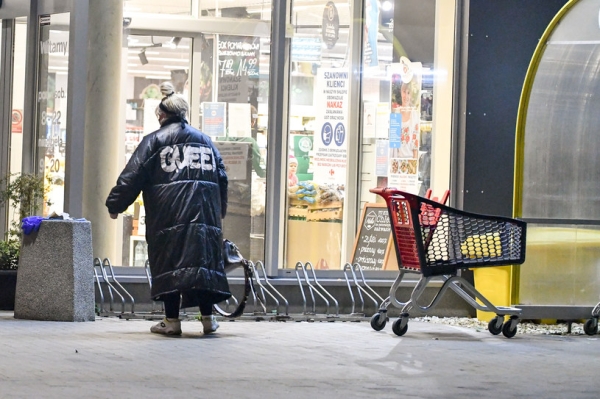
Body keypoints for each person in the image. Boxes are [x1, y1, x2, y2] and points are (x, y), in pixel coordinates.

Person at [105, 82, 230, 336]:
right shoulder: (206, 141)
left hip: (168, 215)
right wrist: (220, 211)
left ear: (162, 115)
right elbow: (223, 178)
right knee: (202, 264)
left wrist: (116, 204)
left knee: (171, 265)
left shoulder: (155, 141)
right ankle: (208, 319)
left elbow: (133, 175)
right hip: (205, 215)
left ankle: (172, 321)